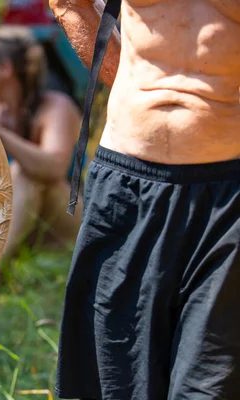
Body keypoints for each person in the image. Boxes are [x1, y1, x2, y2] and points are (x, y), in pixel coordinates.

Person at [48, 0, 240, 399]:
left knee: (212, 382)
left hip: (230, 190)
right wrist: (139, 86)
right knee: (120, 378)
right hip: (128, 182)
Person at [0, 26, 83, 301]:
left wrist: (2, 134)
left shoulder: (55, 106)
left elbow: (54, 167)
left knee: (26, 174)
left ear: (5, 68)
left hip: (67, 224)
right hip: (20, 230)